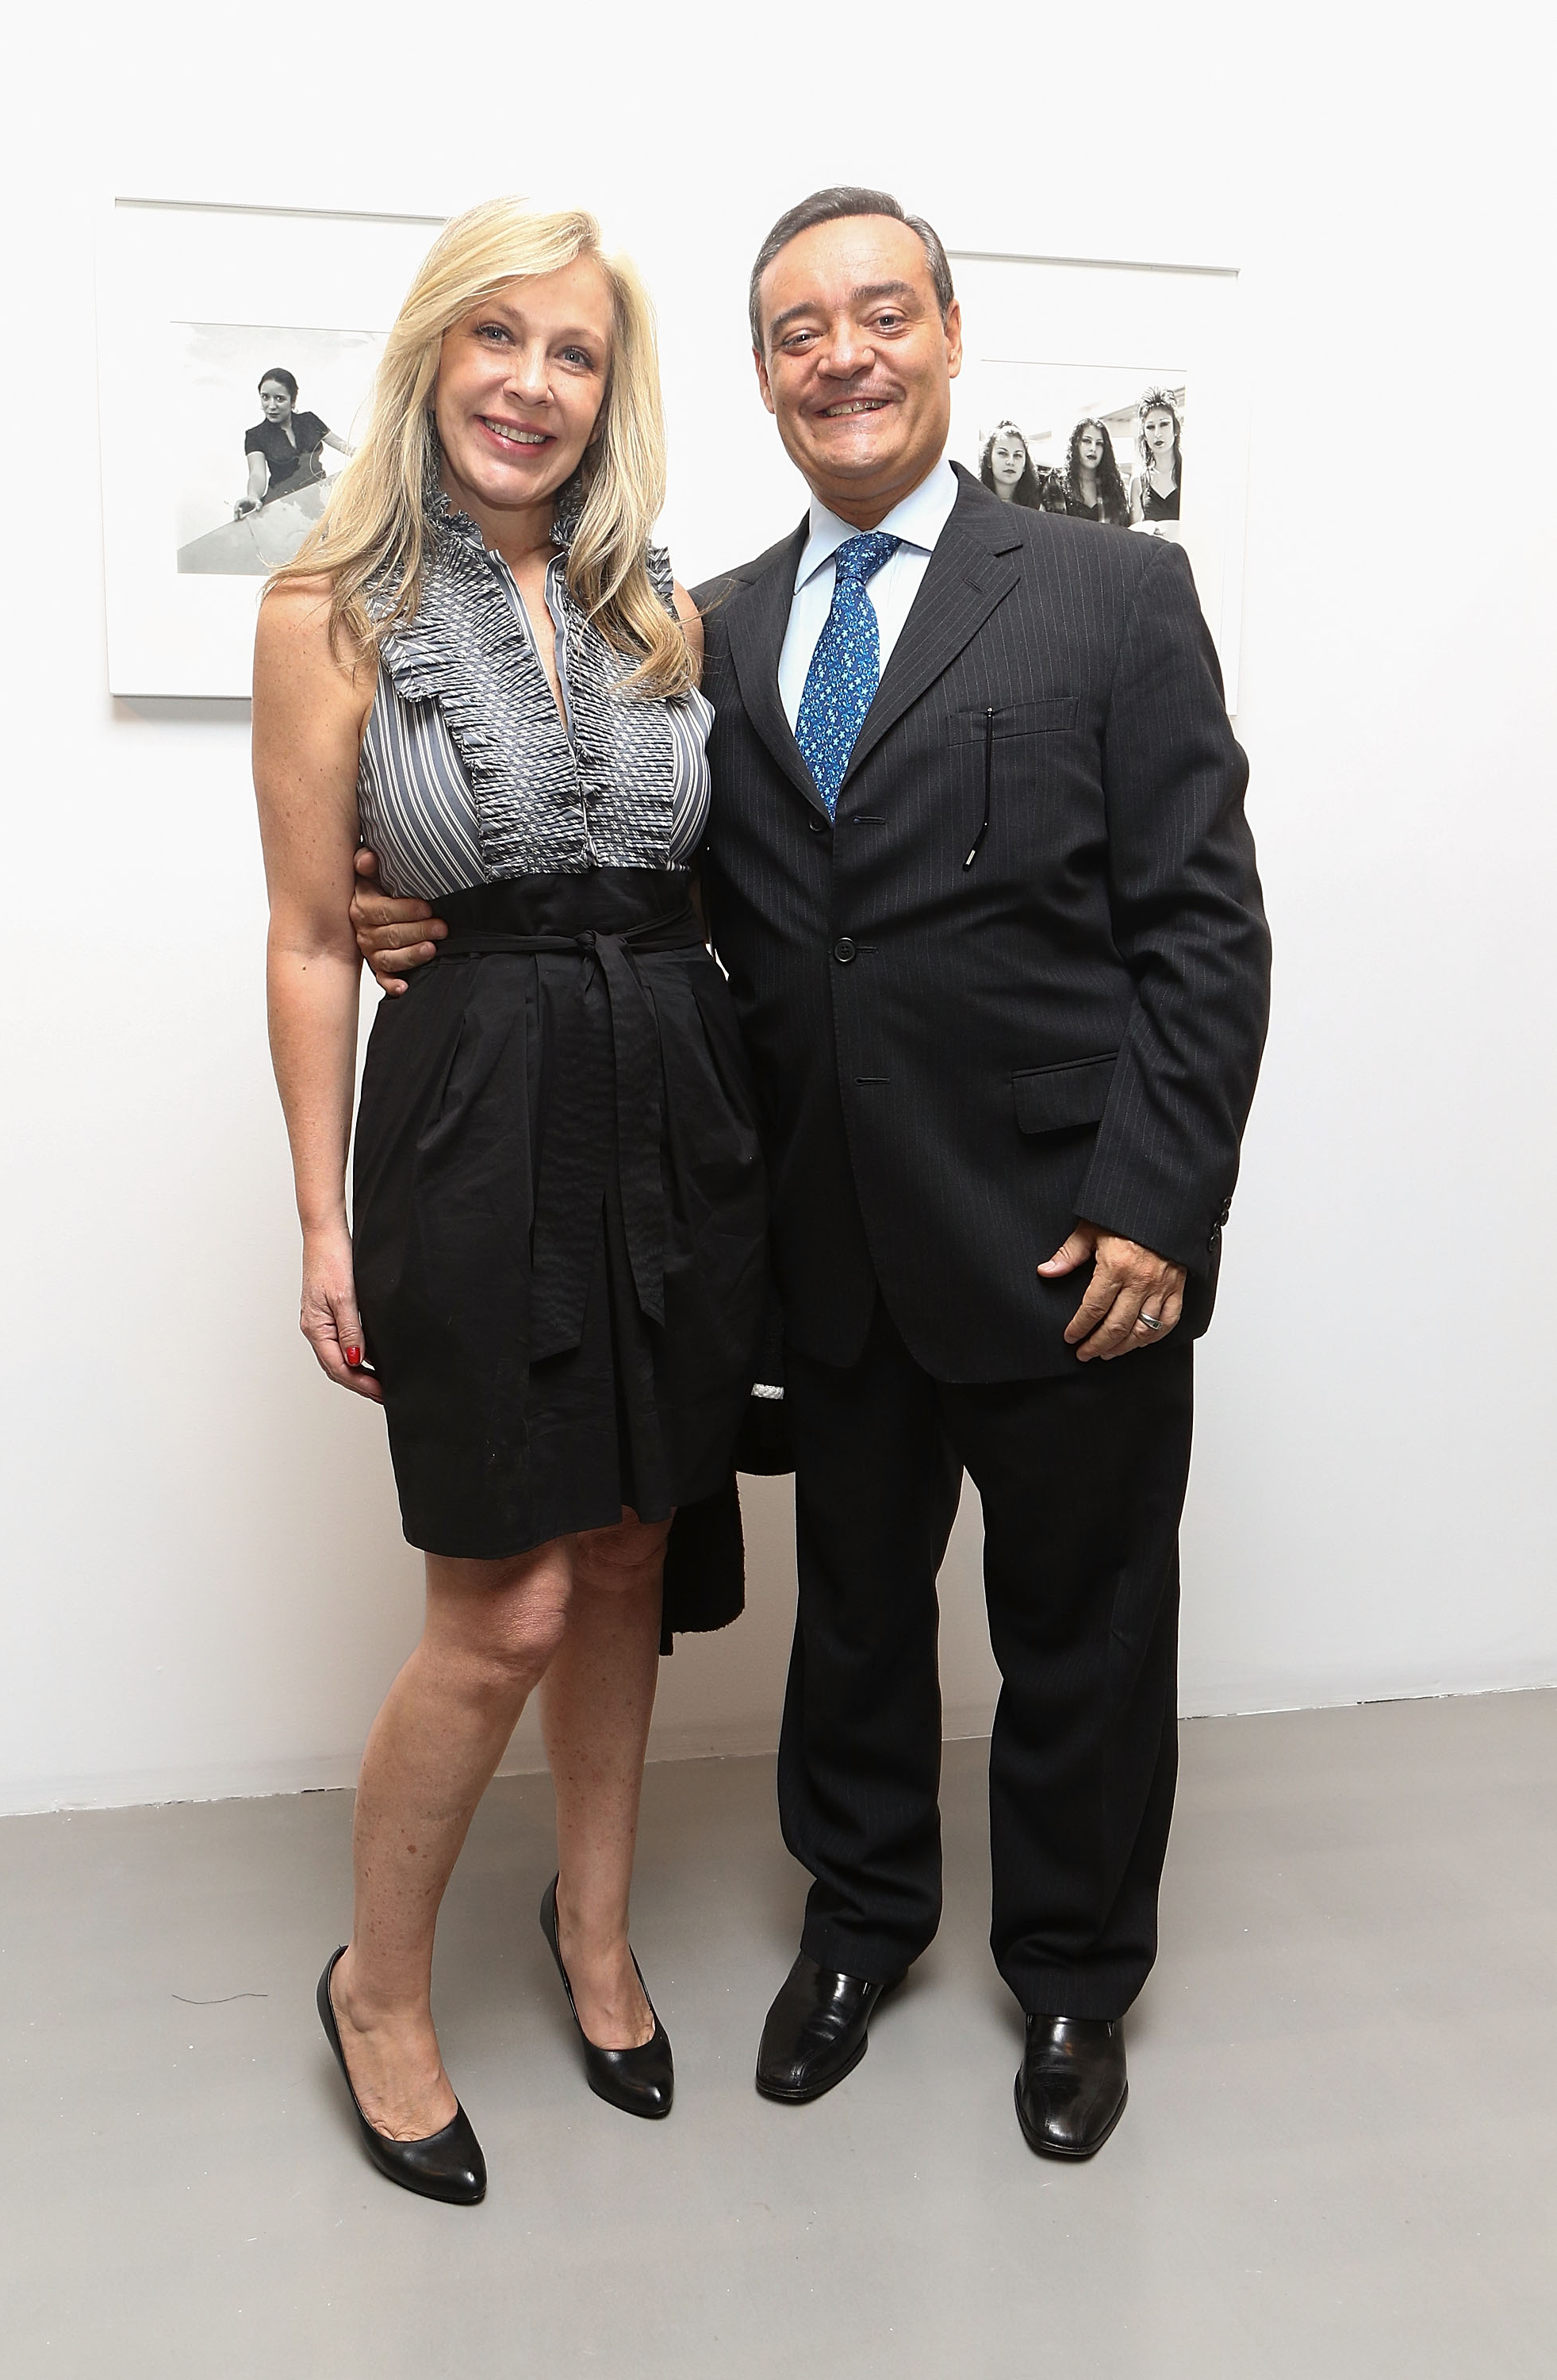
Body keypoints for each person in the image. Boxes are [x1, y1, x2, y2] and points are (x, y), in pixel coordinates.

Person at [351, 185, 1271, 2162]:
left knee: (1079, 1633)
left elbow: (1202, 930)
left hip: (1063, 1245)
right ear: (758, 374)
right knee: (848, 1624)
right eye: (793, 329)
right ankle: (855, 1929)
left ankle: (1069, 1981)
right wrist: (383, 896)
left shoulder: (1109, 598)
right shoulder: (705, 626)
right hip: (813, 1250)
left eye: (877, 315)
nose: (839, 355)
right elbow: (625, 876)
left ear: (946, 333)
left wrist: (1154, 1198)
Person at [254, 198, 766, 2205]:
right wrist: (317, 1216)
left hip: (672, 1098)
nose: (531, 385)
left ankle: (594, 1931)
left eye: (572, 355)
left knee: (630, 1549)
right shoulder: (329, 608)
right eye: (499, 339)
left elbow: (706, 886)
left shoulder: (662, 611)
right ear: (430, 353)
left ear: (606, 395)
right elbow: (311, 937)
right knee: (504, 1598)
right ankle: (378, 1986)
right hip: (471, 1112)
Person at [236, 368, 351, 516]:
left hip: (320, 496)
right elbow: (257, 474)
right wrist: (253, 496)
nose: (271, 406)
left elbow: (344, 447)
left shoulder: (310, 420)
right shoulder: (255, 435)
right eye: (265, 397)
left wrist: (373, 455)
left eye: (279, 399)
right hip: (283, 507)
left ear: (293, 400)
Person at [1041, 415, 1131, 526]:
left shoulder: (1113, 487)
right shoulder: (1055, 483)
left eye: (1099, 444)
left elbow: (1123, 533)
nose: (1093, 448)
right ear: (1076, 445)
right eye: (1087, 441)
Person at [1129, 386, 1183, 523]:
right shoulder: (1138, 483)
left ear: (1176, 429)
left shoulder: (1192, 476)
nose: (1157, 433)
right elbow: (1136, 535)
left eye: (1164, 424)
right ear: (1145, 435)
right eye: (1150, 427)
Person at [978, 420, 1044, 507]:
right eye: (1003, 453)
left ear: (1025, 465)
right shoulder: (975, 502)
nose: (1011, 462)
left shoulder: (1037, 507)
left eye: (1017, 455)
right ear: (989, 461)